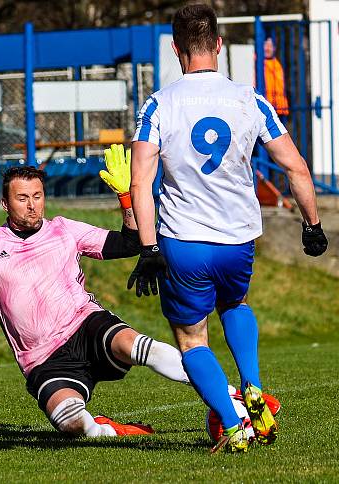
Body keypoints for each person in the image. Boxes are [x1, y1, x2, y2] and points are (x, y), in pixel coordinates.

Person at [129, 4, 329, 453]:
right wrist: (312, 225)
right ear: (218, 45)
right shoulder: (249, 98)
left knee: (191, 338)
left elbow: (140, 179)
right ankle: (253, 387)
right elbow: (295, 166)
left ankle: (234, 423)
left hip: (184, 242)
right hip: (238, 240)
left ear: (176, 49)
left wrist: (147, 248)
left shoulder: (161, 103)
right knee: (235, 302)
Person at [0, 146, 192, 439]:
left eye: (37, 196)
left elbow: (128, 243)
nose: (32, 205)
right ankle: (109, 430)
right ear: (5, 204)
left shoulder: (64, 230)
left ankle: (224, 394)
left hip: (85, 325)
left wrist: (125, 198)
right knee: (73, 424)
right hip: (42, 359)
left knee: (139, 346)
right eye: (22, 198)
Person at [263, 36, 290, 124]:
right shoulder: (258, 62)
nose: (267, 48)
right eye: (266, 45)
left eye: (270, 46)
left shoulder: (277, 64)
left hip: (278, 107)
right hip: (265, 106)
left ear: (274, 48)